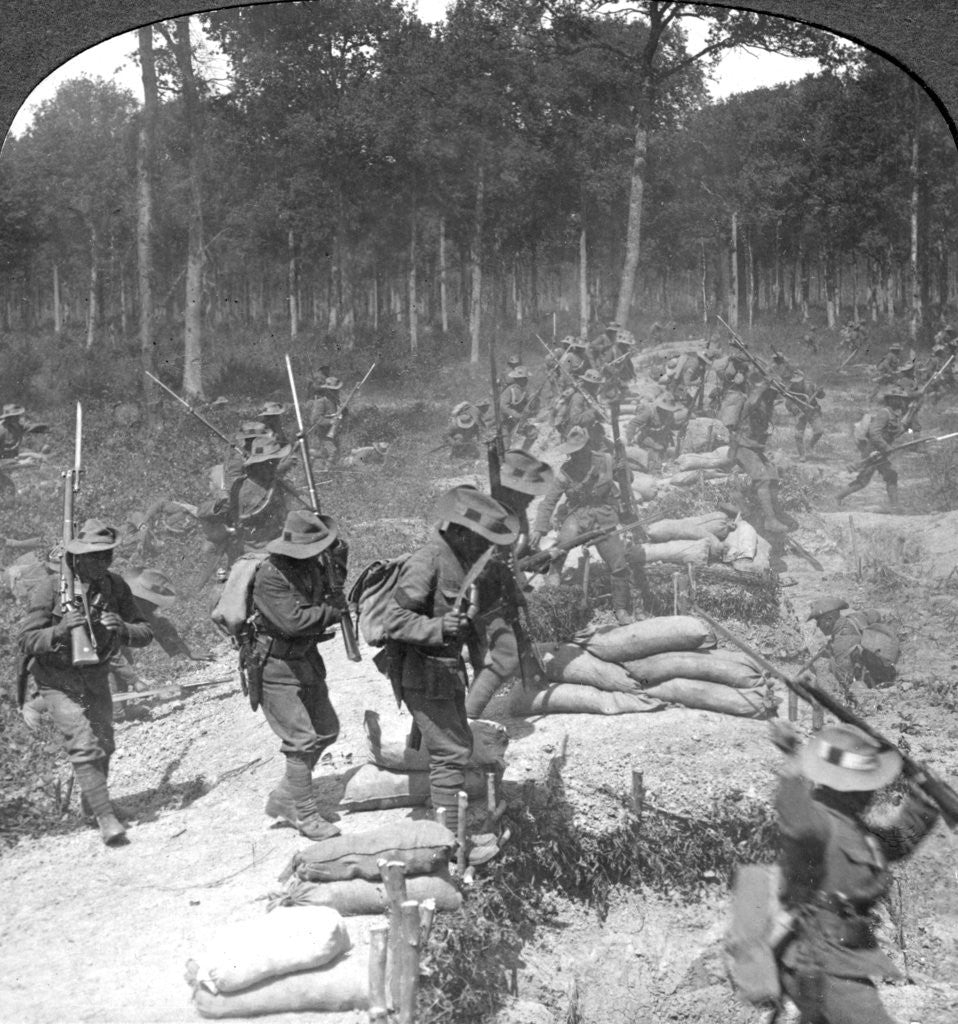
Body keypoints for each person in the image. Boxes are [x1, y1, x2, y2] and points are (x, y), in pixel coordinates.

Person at [766, 718, 938, 1024]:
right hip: (822, 961)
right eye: (869, 783)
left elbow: (897, 842)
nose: (873, 790)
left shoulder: (854, 827)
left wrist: (926, 797)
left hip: (842, 959)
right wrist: (793, 758)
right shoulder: (819, 821)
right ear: (852, 788)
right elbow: (794, 814)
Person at [381, 487, 520, 834]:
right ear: (459, 531)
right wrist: (438, 626)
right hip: (422, 672)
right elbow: (394, 620)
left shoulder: (462, 563)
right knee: (451, 752)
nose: (484, 547)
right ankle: (448, 840)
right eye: (479, 539)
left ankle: (446, 824)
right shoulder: (428, 561)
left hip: (446, 673)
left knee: (456, 745)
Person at [18, 520, 154, 845]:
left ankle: (93, 805)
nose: (101, 563)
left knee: (105, 742)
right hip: (56, 679)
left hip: (95, 674)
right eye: (93, 557)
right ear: (76, 558)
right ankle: (107, 819)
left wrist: (122, 628)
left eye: (106, 556)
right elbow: (26, 640)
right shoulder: (50, 589)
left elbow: (145, 632)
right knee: (83, 743)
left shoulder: (114, 586)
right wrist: (60, 631)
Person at [251, 509, 348, 840]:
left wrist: (339, 566)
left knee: (326, 730)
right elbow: (293, 622)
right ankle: (304, 815)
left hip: (305, 660)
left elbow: (326, 594)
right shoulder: (271, 575)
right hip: (274, 666)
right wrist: (332, 612)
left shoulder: (313, 567)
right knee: (301, 739)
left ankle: (283, 797)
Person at [466, 451, 554, 719]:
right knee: (506, 655)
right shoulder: (487, 513)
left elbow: (514, 553)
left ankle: (532, 686)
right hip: (479, 595)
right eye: (525, 493)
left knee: (511, 645)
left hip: (498, 590)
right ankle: (466, 719)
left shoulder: (514, 512)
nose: (531, 498)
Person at [531, 426, 635, 625]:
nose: (576, 456)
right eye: (572, 452)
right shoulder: (565, 471)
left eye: (579, 450)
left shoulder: (606, 460)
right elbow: (550, 500)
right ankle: (553, 583)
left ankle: (621, 609)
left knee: (618, 563)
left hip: (603, 514)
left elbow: (628, 480)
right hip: (577, 514)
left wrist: (624, 468)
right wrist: (539, 527)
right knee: (561, 548)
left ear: (587, 446)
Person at [110, 568, 211, 694]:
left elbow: (159, 625)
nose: (154, 607)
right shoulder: (109, 608)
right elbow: (109, 651)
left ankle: (122, 706)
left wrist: (187, 651)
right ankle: (117, 710)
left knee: (124, 659)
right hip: (91, 655)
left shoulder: (138, 607)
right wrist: (134, 680)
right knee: (109, 668)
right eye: (151, 603)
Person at [722, 371, 791, 536]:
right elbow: (752, 402)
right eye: (772, 392)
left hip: (754, 447)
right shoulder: (751, 402)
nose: (773, 396)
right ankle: (770, 520)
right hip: (742, 446)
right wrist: (763, 386)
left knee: (773, 476)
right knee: (762, 479)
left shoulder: (766, 404)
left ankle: (751, 506)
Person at [836, 387, 914, 509]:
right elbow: (874, 433)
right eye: (897, 398)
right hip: (873, 451)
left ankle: (895, 506)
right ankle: (837, 497)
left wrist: (908, 423)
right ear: (890, 400)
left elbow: (895, 432)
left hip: (881, 452)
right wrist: (885, 446)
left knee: (890, 475)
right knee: (863, 480)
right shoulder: (884, 413)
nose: (900, 401)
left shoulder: (894, 414)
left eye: (901, 398)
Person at [807, 596, 899, 689]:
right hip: (887, 666)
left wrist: (831, 657)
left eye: (819, 622)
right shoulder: (854, 618)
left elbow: (846, 681)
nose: (818, 627)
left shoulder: (841, 645)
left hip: (875, 684)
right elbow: (875, 614)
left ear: (829, 620)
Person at [786, 370, 825, 461]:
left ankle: (810, 446)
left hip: (813, 411)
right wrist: (796, 411)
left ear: (802, 380)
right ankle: (802, 455)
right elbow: (788, 403)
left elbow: (821, 396)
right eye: (794, 382)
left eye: (798, 382)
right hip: (801, 413)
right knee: (798, 435)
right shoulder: (791, 389)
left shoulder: (811, 385)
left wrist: (820, 391)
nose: (796, 384)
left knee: (819, 431)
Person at [500, 365, 539, 450]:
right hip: (506, 423)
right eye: (524, 378)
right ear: (518, 379)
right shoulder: (510, 390)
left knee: (533, 433)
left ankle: (524, 452)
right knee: (505, 446)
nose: (526, 380)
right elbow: (503, 407)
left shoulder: (524, 390)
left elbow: (530, 406)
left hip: (519, 421)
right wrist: (516, 415)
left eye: (526, 378)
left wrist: (534, 400)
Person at [309, 377, 345, 465]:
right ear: (327, 391)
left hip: (334, 433)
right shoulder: (321, 402)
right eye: (333, 391)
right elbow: (315, 419)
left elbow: (343, 414)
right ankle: (328, 472)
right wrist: (330, 421)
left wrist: (344, 409)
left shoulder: (337, 402)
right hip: (323, 433)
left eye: (337, 390)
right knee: (333, 452)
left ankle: (312, 456)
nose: (336, 393)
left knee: (327, 453)